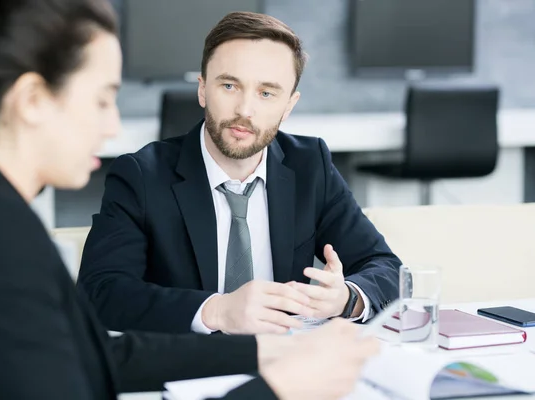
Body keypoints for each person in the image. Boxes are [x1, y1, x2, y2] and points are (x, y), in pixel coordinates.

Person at [0, 1, 379, 399]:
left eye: (267, 91)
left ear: (289, 104)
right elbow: (99, 312)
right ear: (32, 100)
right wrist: (282, 388)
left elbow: (99, 356)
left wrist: (266, 352)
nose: (112, 126)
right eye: (103, 99)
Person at [78, 11, 402, 335]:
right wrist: (217, 311)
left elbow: (387, 269)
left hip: (286, 365)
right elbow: (101, 292)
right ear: (203, 90)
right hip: (187, 369)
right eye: (230, 85)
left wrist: (346, 299)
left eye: (266, 93)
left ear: (288, 105)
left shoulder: (310, 166)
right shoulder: (141, 176)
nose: (245, 110)